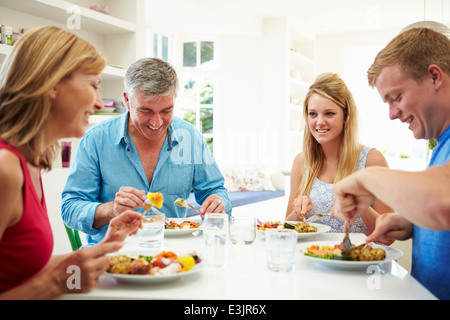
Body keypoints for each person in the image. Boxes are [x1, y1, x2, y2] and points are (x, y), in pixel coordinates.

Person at [0, 26, 142, 299]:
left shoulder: (28, 162)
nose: (100, 102)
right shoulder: (5, 167)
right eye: (93, 85)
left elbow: (20, 271)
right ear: (52, 82)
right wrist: (56, 283)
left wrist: (105, 246)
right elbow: (47, 279)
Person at [61, 57, 231, 246]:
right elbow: (70, 208)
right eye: (146, 111)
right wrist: (112, 209)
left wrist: (218, 203)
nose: (157, 123)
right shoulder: (95, 140)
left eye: (166, 110)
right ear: (127, 100)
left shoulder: (190, 138)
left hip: (175, 256)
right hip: (111, 258)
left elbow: (215, 190)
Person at [333, 26, 450, 300]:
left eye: (396, 97)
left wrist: (365, 178)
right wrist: (413, 224)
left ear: (435, 76)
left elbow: (443, 201)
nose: (392, 114)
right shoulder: (441, 143)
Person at [285, 73, 392, 235]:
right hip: (314, 258)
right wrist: (298, 212)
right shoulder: (301, 161)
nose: (319, 122)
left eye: (329, 113)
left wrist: (360, 206)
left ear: (346, 117)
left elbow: (388, 236)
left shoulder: (372, 160)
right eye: (312, 114)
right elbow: (285, 231)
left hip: (362, 259)